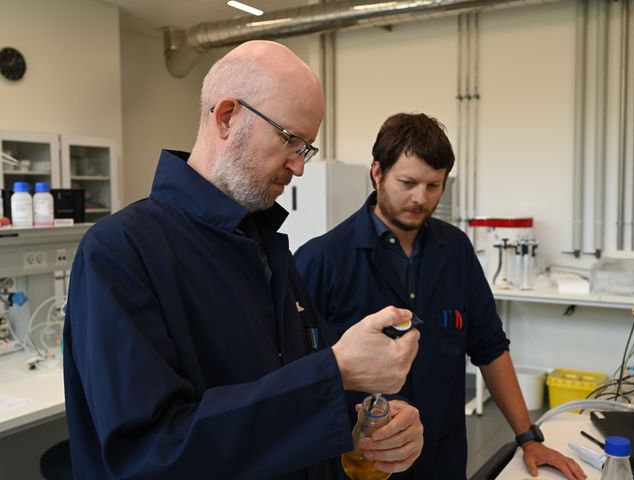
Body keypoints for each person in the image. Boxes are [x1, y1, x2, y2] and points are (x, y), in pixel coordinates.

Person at [63, 41, 424, 479]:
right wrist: (334, 371)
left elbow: (301, 387)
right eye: (291, 140)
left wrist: (373, 418)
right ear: (227, 116)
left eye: (305, 148)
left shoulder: (267, 249)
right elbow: (150, 455)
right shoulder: (121, 252)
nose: (299, 167)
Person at [295, 113, 587, 480]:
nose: (421, 198)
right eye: (408, 182)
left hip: (441, 460)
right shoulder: (321, 260)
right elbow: (294, 375)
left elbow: (489, 347)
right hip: (360, 465)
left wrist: (528, 437)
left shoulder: (456, 251)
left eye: (434, 185)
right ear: (377, 172)